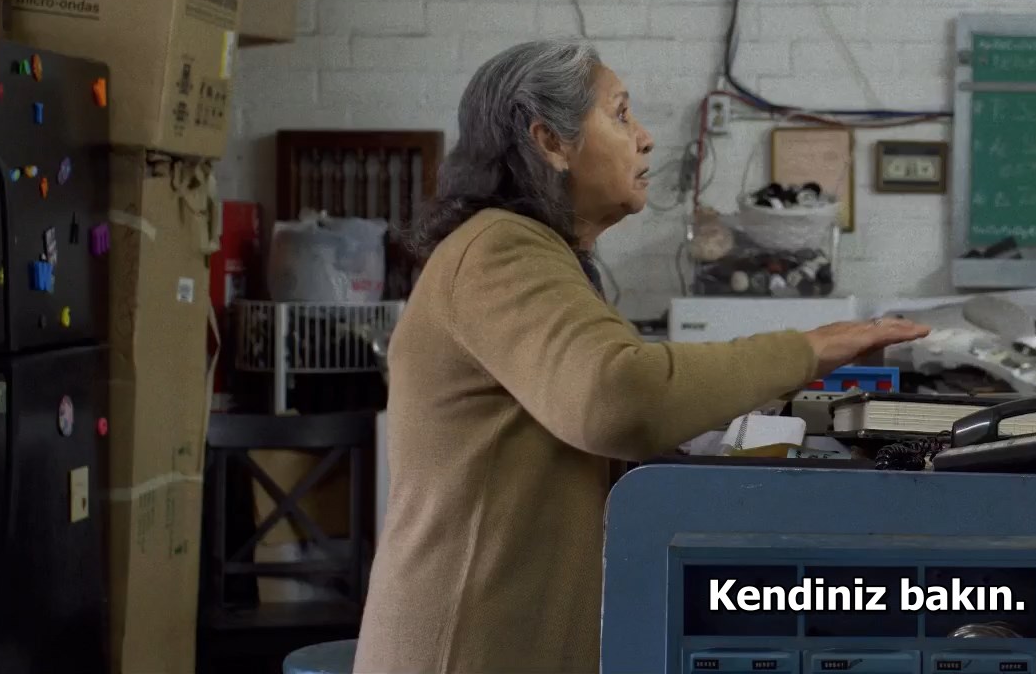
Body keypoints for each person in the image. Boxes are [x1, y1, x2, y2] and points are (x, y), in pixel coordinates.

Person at [352, 40, 929, 673]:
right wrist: (809, 349)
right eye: (621, 114)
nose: (646, 137)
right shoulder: (501, 250)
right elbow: (618, 398)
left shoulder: (528, 251)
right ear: (550, 141)